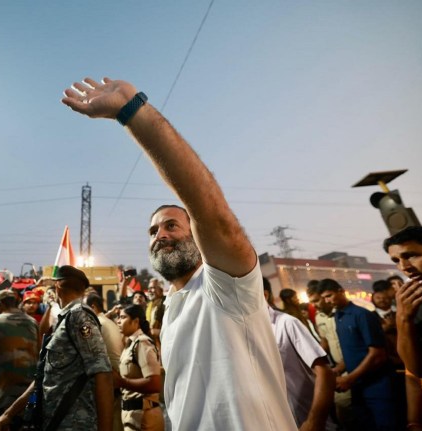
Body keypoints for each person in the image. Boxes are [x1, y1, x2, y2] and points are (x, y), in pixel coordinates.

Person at [62, 77, 296, 430]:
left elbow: (215, 217)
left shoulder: (225, 286)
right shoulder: (171, 306)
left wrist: (131, 111)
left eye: (172, 225)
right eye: (153, 231)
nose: (160, 235)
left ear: (198, 236)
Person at [0, 265, 113, 430]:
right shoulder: (66, 318)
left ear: (57, 287)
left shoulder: (79, 316)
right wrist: (8, 415)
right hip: (55, 422)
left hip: (75, 424)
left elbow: (103, 373)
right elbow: (43, 378)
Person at [319, 278, 396, 430]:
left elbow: (377, 354)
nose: (327, 301)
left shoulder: (362, 315)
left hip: (378, 386)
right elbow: (354, 351)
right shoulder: (338, 317)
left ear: (341, 291)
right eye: (324, 298)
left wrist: (350, 378)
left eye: (329, 295)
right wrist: (337, 370)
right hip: (358, 388)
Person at [264, 280, 336, 430]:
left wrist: (314, 421)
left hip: (307, 421)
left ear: (264, 295)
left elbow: (324, 372)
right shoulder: (240, 335)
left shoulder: (287, 323)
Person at [383, 226, 422, 411]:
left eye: (411, 255)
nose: (404, 267)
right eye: (396, 261)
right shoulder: (418, 301)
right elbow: (417, 369)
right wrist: (403, 318)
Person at [0, 288, 38, 419]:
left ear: (0, 304)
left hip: (4, 395)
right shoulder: (33, 322)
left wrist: (1, 358)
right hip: (31, 394)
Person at [307, 281, 355, 430]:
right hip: (338, 369)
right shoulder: (319, 317)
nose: (314, 305)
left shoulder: (343, 314)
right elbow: (325, 342)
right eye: (311, 302)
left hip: (354, 365)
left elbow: (356, 344)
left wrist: (341, 366)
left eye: (316, 300)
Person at [115, 304, 164, 431]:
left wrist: (122, 382)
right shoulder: (130, 344)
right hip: (133, 415)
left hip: (144, 417)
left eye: (123, 317)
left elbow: (154, 384)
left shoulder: (142, 343)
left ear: (135, 321)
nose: (118, 321)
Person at [85, 293, 124, 431]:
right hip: (117, 376)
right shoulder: (108, 321)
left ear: (93, 307)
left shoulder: (95, 323)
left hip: (109, 379)